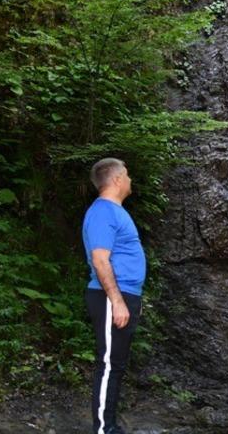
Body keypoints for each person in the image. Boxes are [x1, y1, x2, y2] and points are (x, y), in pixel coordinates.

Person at [82, 157, 146, 434]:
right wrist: (117, 301)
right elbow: (100, 260)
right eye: (128, 174)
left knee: (116, 364)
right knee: (109, 364)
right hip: (111, 297)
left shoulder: (116, 211)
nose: (131, 180)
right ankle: (103, 430)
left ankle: (110, 426)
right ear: (117, 179)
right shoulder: (103, 212)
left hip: (123, 295)